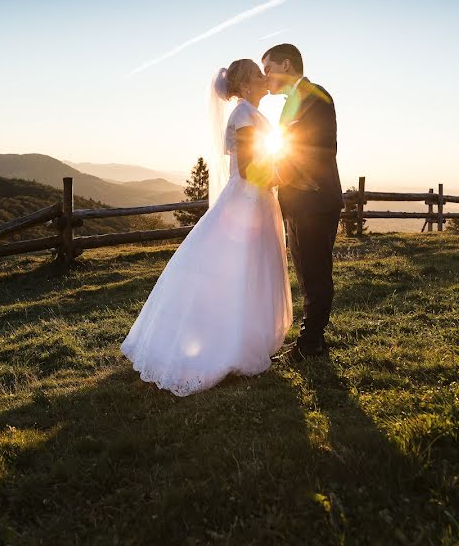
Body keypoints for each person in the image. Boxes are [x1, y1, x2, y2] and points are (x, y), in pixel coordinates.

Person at [120, 59, 292, 396]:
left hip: (259, 202)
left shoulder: (255, 114)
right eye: (258, 74)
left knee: (255, 270)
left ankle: (249, 336)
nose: (264, 77)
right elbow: (246, 169)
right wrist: (282, 178)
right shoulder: (243, 114)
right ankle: (224, 346)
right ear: (243, 86)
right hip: (246, 202)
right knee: (239, 269)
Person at [262, 44, 343, 360]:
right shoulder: (295, 99)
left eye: (268, 68)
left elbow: (318, 146)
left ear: (286, 65)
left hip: (314, 200)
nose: (266, 76)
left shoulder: (314, 96)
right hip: (304, 201)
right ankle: (315, 340)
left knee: (314, 274)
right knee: (310, 273)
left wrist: (283, 176)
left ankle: (309, 345)